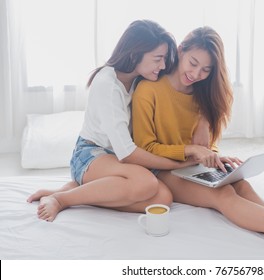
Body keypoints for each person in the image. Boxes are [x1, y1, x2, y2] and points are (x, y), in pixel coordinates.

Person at [131, 26, 264, 259]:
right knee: (223, 195)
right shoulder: (148, 89)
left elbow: (206, 146)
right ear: (181, 50)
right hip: (162, 169)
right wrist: (192, 150)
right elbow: (145, 146)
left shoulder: (202, 93)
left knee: (242, 185)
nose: (196, 74)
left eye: (206, 69)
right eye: (193, 63)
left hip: (192, 166)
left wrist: (212, 154)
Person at [27, 20, 200, 222]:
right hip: (92, 154)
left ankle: (83, 192)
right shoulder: (107, 84)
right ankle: (62, 199)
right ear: (135, 54)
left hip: (116, 157)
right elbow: (127, 153)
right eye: (157, 59)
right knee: (146, 183)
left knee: (163, 198)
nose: (162, 66)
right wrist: (176, 164)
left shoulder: (140, 80)